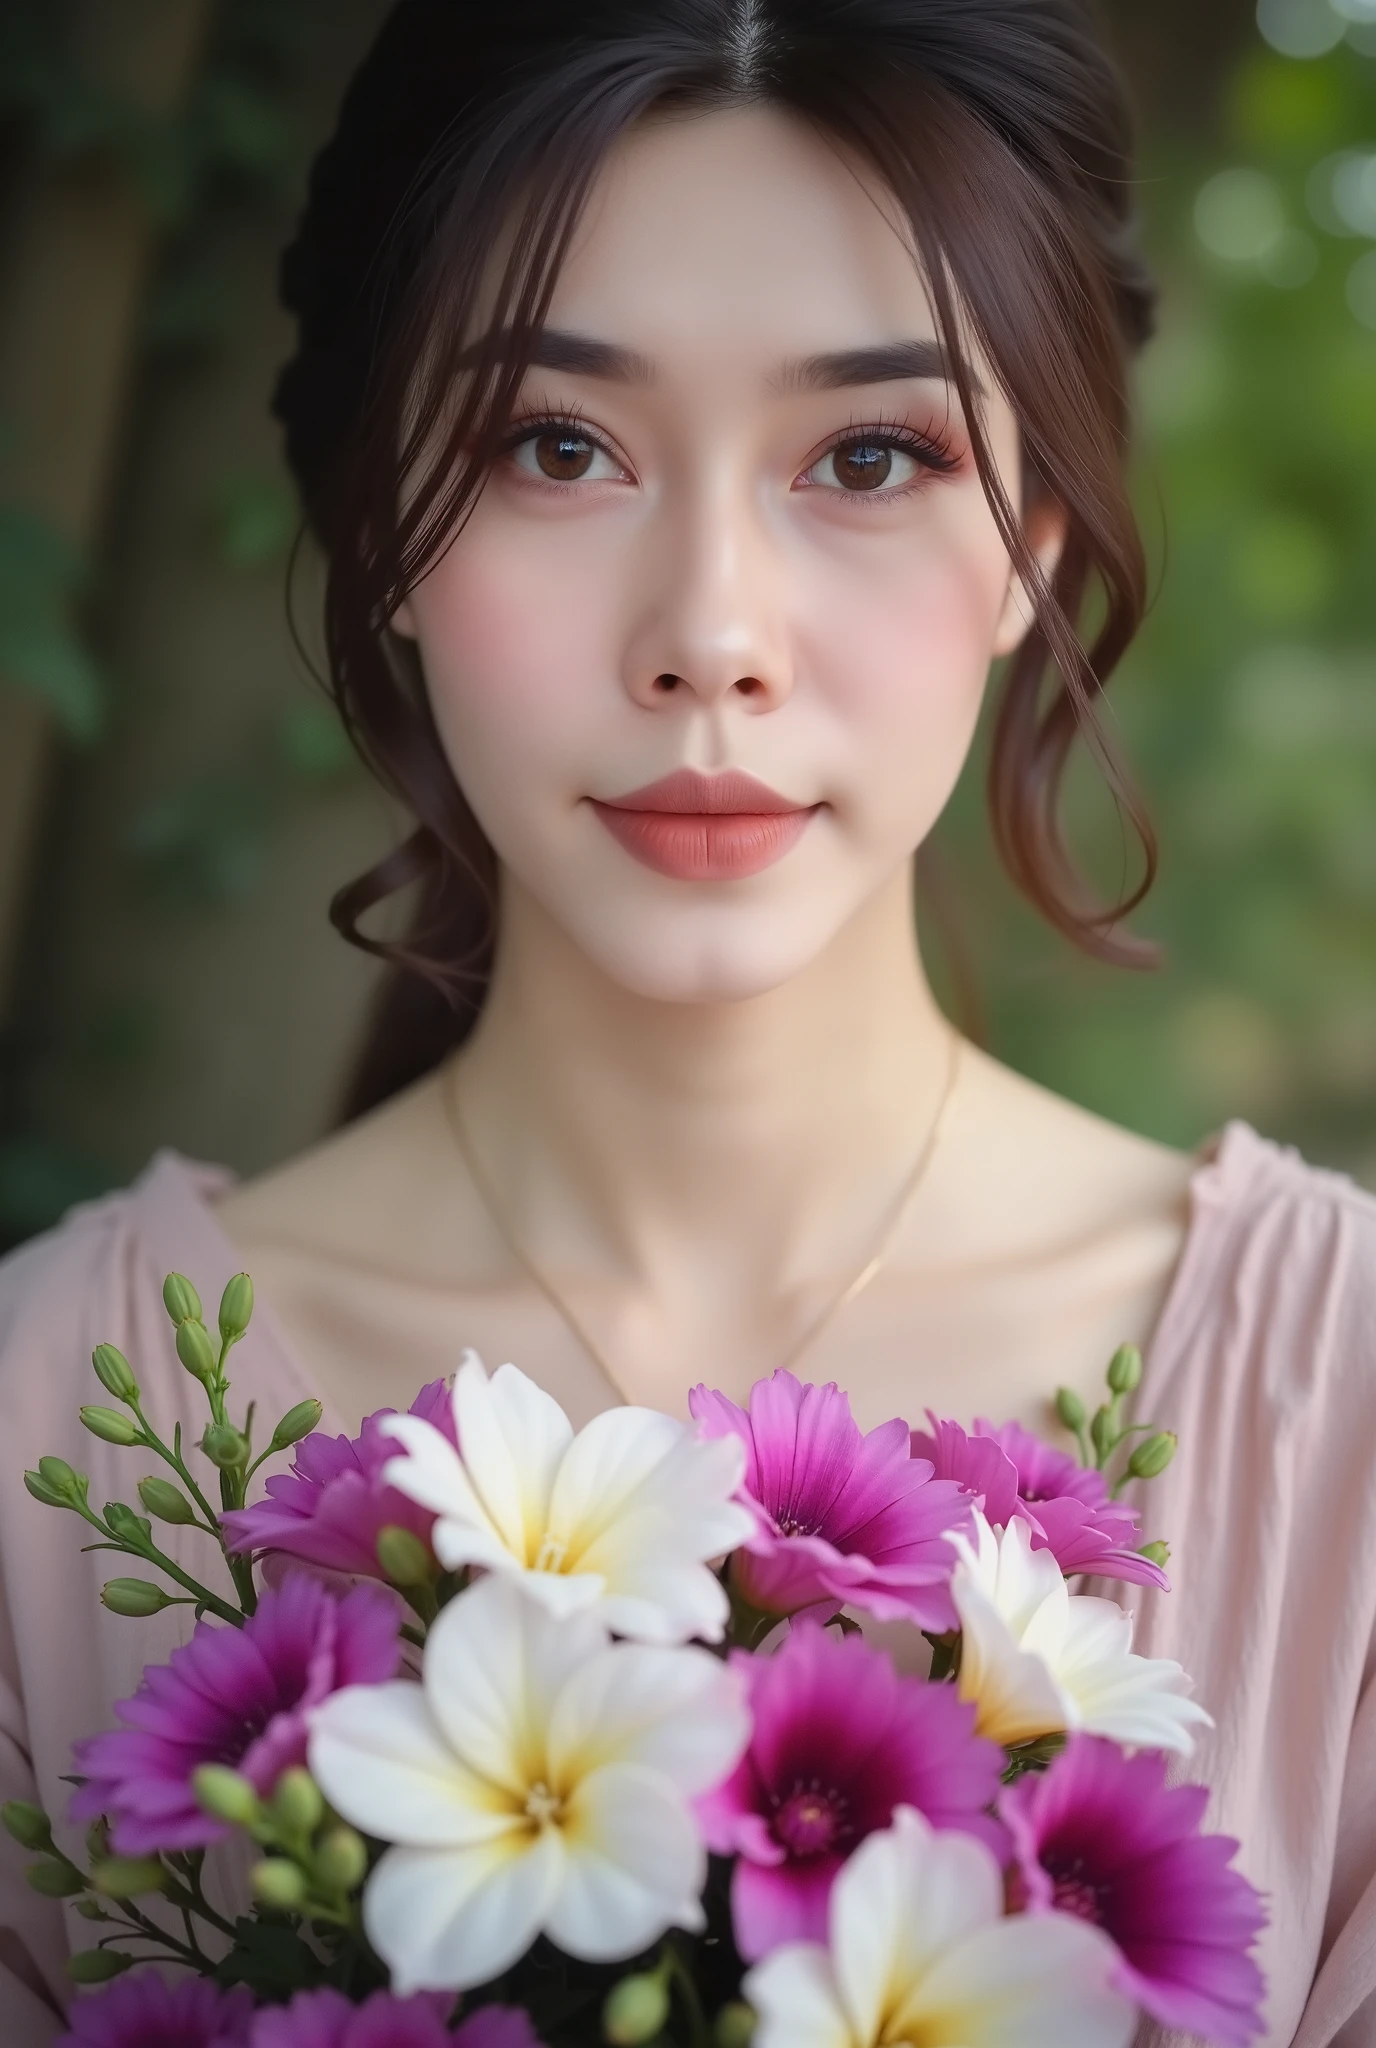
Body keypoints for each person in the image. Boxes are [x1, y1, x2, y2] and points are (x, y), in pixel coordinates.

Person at [0, 2, 1372, 2039]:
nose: (710, 635)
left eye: (873, 455)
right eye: (556, 448)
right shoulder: (49, 1426)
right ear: (383, 527)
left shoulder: (1332, 1408)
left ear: (1039, 544)